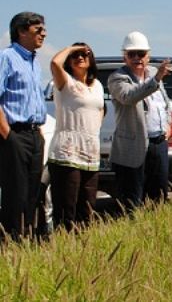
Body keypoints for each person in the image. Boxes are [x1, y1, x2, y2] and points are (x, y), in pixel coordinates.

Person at [107, 31, 172, 210]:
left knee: (158, 198)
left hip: (158, 143)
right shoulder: (117, 78)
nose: (137, 58)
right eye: (132, 54)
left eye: (141, 53)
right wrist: (156, 79)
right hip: (132, 147)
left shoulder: (153, 74)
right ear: (125, 57)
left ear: (148, 56)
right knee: (131, 201)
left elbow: (164, 104)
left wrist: (168, 124)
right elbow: (129, 96)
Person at [0, 12, 48, 240]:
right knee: (15, 193)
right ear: (21, 31)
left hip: (34, 134)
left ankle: (27, 240)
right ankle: (11, 242)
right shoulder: (7, 57)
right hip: (14, 134)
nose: (44, 34)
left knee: (32, 192)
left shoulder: (35, 63)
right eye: (38, 29)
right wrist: (8, 135)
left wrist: (39, 132)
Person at [48, 43, 104, 231]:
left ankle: (82, 246)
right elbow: (55, 63)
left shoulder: (97, 85)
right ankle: (63, 244)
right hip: (67, 154)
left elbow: (100, 109)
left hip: (91, 156)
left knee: (87, 210)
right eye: (75, 55)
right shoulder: (65, 82)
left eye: (84, 54)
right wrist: (72, 48)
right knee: (66, 210)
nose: (80, 57)